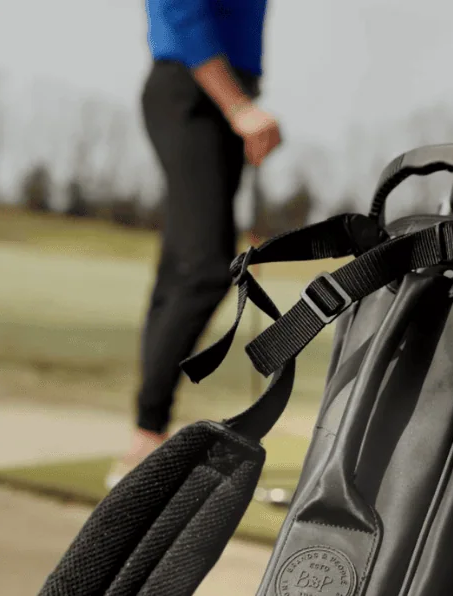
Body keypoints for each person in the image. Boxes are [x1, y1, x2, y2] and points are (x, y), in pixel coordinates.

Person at [106, 0, 281, 488]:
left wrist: (240, 103)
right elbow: (179, 9)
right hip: (194, 89)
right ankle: (146, 435)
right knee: (205, 266)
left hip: (217, 93)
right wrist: (238, 105)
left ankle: (146, 431)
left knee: (182, 267)